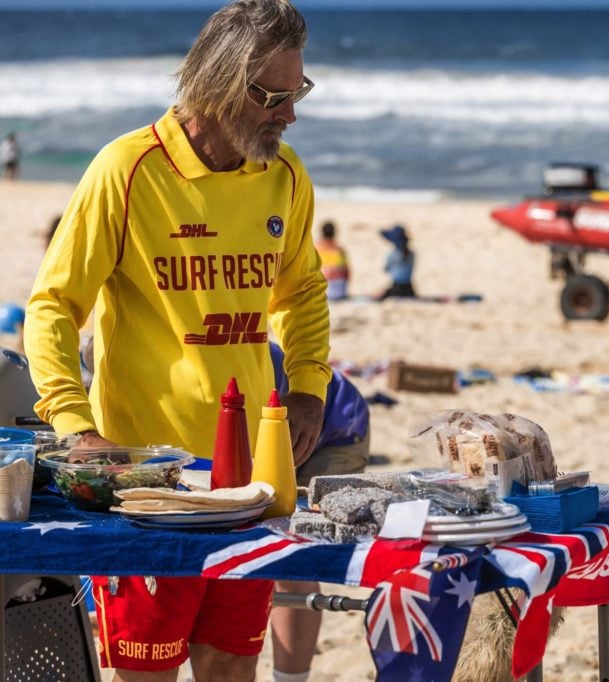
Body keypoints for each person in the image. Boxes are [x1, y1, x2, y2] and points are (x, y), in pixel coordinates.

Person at [23, 2, 331, 681]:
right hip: (150, 496)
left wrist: (309, 387)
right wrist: (75, 426)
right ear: (220, 85)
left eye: (297, 92)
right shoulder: (127, 169)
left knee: (228, 666)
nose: (289, 114)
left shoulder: (284, 176)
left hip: (251, 484)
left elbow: (303, 292)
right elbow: (51, 307)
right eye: (273, 97)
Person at [267, 341, 369, 680]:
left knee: (293, 555)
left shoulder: (243, 358)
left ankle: (291, 677)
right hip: (284, 427)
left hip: (336, 429)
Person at [379, 224, 416, 299]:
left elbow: (386, 269)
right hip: (409, 288)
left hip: (397, 288)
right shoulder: (411, 254)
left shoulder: (393, 254)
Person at [316, 220, 350, 301]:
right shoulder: (340, 250)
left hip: (322, 290)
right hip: (339, 291)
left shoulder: (316, 248)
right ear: (334, 233)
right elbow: (347, 273)